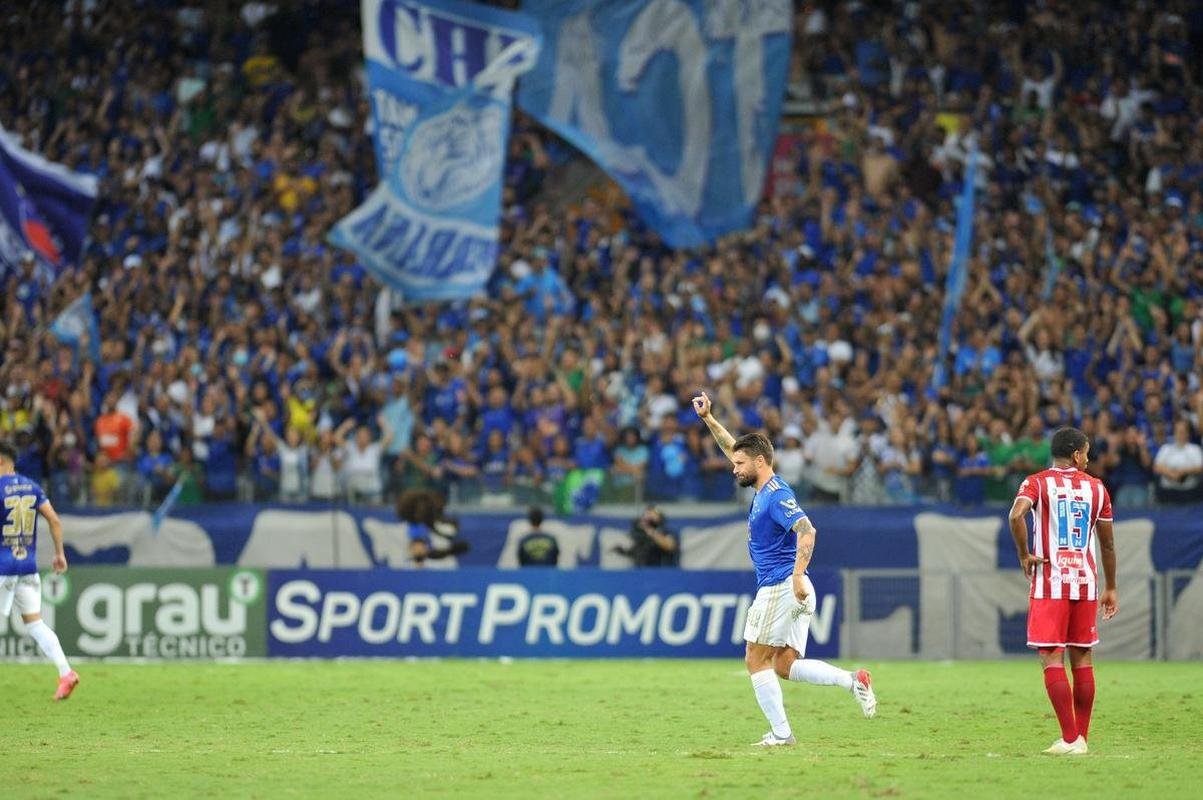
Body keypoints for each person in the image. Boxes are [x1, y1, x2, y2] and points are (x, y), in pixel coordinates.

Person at [692, 391, 875, 747]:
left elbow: (807, 531)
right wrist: (709, 419)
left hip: (781, 585)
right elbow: (733, 447)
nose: (734, 468)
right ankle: (853, 680)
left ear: (760, 462)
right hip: (792, 586)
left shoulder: (776, 495)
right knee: (784, 665)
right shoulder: (763, 487)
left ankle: (781, 735)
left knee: (754, 659)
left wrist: (794, 576)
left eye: (740, 464)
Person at [1007, 427, 1118, 756]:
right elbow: (1108, 544)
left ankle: (1070, 738)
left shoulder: (1037, 482)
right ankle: (1080, 739)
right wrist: (1110, 587)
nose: (1088, 458)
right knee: (1082, 656)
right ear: (1076, 455)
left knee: (1050, 655)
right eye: (1086, 452)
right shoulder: (1098, 489)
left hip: (1050, 581)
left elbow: (1016, 515)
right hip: (1085, 582)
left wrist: (1024, 554)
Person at [0, 440, 78, 700]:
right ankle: (66, 672)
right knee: (35, 624)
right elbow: (54, 520)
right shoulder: (32, 487)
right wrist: (59, 554)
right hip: (27, 568)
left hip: (3, 568)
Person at [613, 505, 678, 567]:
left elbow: (669, 546)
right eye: (646, 514)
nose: (648, 516)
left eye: (653, 514)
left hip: (663, 571)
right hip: (642, 572)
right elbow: (636, 552)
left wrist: (650, 531)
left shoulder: (667, 532)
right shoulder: (640, 534)